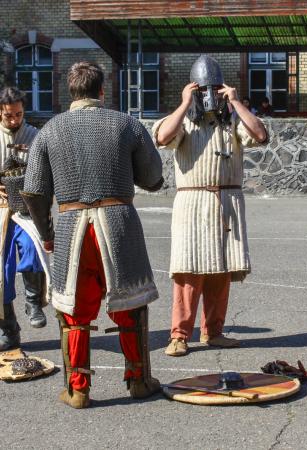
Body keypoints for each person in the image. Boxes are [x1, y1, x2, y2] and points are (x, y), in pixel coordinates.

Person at [22, 62, 163, 408]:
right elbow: (154, 179)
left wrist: (47, 232)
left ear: (70, 91)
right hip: (118, 224)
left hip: (73, 230)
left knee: (74, 311)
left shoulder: (49, 130)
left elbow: (34, 191)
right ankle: (139, 380)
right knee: (130, 304)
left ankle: (78, 388)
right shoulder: (126, 124)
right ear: (102, 90)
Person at [153, 55, 267, 357]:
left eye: (214, 89)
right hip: (192, 204)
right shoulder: (183, 123)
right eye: (203, 90)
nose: (209, 96)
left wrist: (237, 102)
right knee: (188, 272)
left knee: (221, 271)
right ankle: (179, 335)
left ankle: (213, 332)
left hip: (226, 203)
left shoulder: (232, 122)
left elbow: (261, 134)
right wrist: (183, 103)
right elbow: (162, 137)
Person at [0, 87, 50, 351]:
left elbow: (46, 170)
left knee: (32, 249)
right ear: (0, 112)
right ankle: (8, 329)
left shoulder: (34, 136)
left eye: (18, 114)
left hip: (26, 209)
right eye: (9, 115)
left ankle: (33, 303)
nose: (14, 120)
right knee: (1, 270)